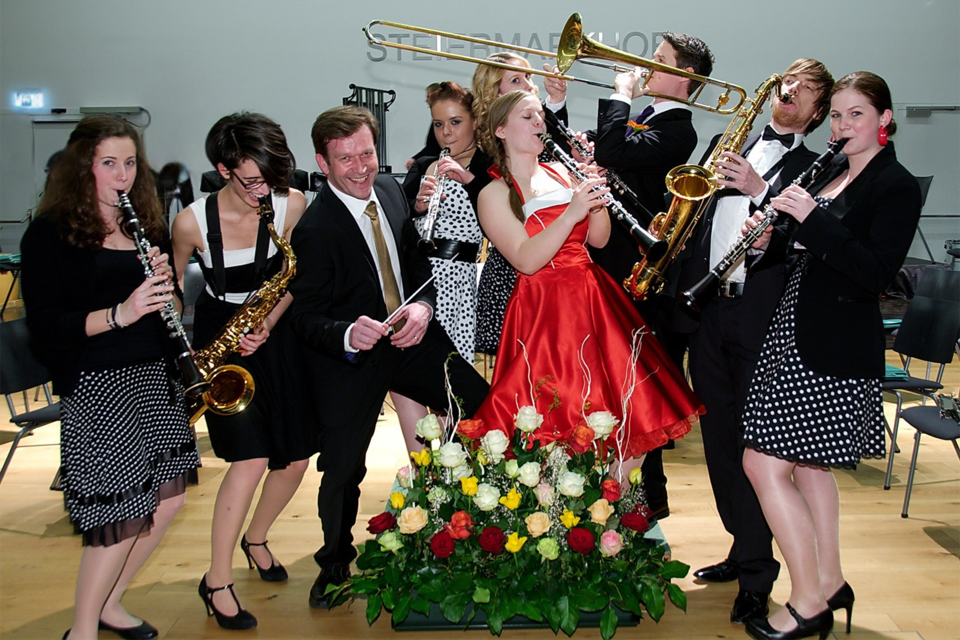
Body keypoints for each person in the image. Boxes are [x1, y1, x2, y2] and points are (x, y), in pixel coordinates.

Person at [740, 72, 922, 640]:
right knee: (811, 469)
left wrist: (809, 218)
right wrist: (775, 239)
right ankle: (832, 580)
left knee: (762, 465)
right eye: (838, 116)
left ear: (884, 119)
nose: (843, 126)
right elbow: (810, 254)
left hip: (836, 343)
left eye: (857, 115)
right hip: (795, 329)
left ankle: (807, 602)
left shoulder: (896, 186)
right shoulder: (838, 174)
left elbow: (873, 272)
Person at [288, 105, 490, 609]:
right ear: (323, 162)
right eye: (345, 159)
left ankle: (476, 519)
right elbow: (305, 317)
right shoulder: (313, 229)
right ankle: (334, 563)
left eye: (366, 153)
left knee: (482, 404)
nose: (360, 167)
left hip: (408, 337)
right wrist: (346, 333)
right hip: (349, 359)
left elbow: (415, 260)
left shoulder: (390, 190)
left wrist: (423, 305)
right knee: (342, 468)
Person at [19, 115, 200, 640]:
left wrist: (169, 292)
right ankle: (81, 631)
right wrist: (120, 313)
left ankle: (111, 603)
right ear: (83, 168)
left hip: (152, 377)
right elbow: (47, 326)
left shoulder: (141, 223)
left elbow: (165, 306)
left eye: (128, 163)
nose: (121, 174)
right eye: (108, 164)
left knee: (167, 501)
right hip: (100, 383)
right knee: (120, 514)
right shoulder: (49, 235)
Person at [670, 59, 835, 625]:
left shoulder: (817, 166)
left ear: (817, 113)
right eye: (787, 83)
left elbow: (806, 241)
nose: (790, 93)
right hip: (710, 309)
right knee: (717, 441)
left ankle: (759, 578)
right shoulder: (729, 139)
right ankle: (743, 551)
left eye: (806, 91)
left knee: (753, 448)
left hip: (762, 317)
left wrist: (759, 187)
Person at [473, 91, 702, 465]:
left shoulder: (561, 172)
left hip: (591, 297)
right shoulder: (494, 192)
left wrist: (595, 198)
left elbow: (599, 238)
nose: (538, 123)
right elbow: (526, 260)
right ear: (500, 130)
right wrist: (570, 212)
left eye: (539, 117)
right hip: (545, 308)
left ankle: (614, 506)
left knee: (625, 412)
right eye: (526, 116)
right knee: (555, 417)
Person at [171, 112, 314, 629]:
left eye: (272, 177)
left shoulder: (289, 201)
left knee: (294, 460)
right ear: (223, 169)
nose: (265, 189)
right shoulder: (190, 221)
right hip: (220, 342)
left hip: (274, 335)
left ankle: (257, 538)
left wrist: (270, 323)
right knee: (250, 461)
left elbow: (296, 276)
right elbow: (170, 300)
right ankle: (216, 579)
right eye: (253, 179)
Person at [591, 31, 715, 522]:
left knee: (639, 389)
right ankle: (641, 492)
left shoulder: (679, 129)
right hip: (620, 265)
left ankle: (650, 496)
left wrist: (620, 96)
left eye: (658, 60)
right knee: (622, 387)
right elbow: (608, 152)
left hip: (641, 275)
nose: (646, 65)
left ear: (684, 77)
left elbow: (611, 151)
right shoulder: (649, 120)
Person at [391, 81, 484, 453]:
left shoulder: (489, 168)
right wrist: (417, 206)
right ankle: (424, 470)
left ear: (476, 121)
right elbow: (400, 225)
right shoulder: (425, 164)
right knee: (412, 373)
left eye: (455, 122)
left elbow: (506, 217)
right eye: (438, 124)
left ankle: (453, 466)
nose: (446, 132)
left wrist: (472, 182)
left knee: (451, 381)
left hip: (459, 282)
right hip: (420, 282)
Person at [468, 52, 570, 357]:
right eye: (515, 80)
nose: (528, 85)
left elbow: (558, 160)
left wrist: (555, 105)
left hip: (559, 273)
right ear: (494, 95)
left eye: (528, 77)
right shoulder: (489, 149)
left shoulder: (540, 125)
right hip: (516, 274)